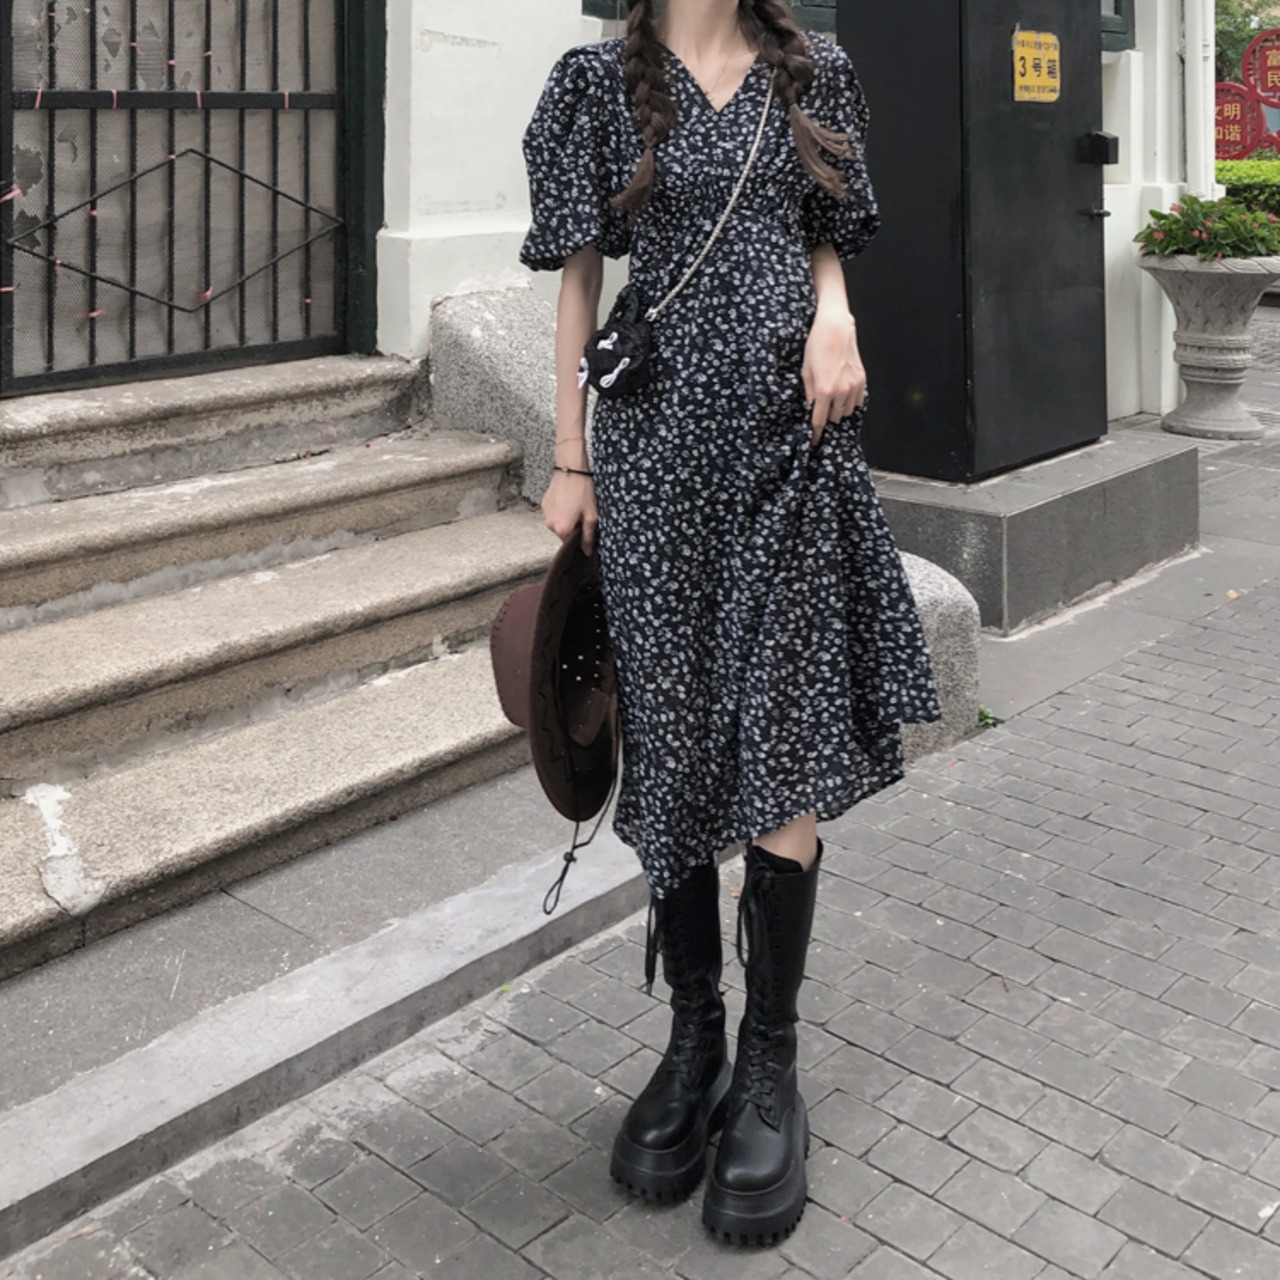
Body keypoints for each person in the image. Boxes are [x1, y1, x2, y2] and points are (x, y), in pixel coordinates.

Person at [520, 0, 941, 1246]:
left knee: (782, 730)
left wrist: (835, 313)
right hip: (653, 459)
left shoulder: (814, 71)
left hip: (788, 442)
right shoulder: (593, 84)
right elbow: (578, 278)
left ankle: (768, 1061)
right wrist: (569, 457)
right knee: (676, 736)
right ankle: (693, 1032)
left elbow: (822, 233)